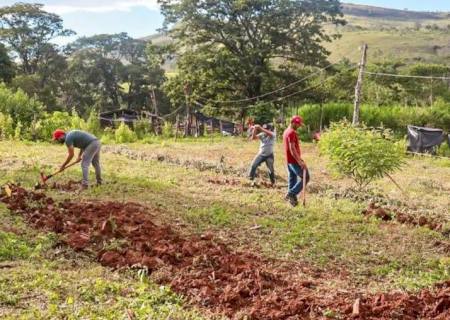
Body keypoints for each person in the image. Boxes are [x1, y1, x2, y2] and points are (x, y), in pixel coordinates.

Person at [283, 116, 310, 207]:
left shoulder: (286, 131)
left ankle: (292, 202)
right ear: (294, 122)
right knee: (306, 177)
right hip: (294, 160)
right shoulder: (291, 133)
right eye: (298, 124)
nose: (299, 126)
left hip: (289, 160)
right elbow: (292, 148)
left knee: (293, 179)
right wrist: (300, 161)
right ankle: (291, 193)